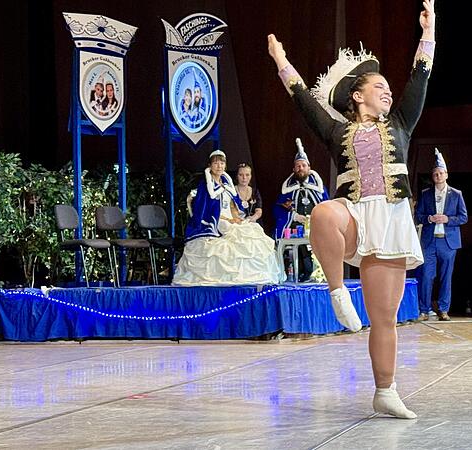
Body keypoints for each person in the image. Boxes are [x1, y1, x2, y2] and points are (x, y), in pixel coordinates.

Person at [267, 0, 436, 419]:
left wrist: (428, 32)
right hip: (353, 215)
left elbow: (420, 77)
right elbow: (303, 100)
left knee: (384, 318)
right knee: (323, 212)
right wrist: (281, 61)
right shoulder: (336, 130)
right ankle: (337, 290)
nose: (388, 91)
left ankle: (385, 391)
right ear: (358, 96)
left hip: (391, 219)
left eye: (389, 88)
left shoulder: (400, 123)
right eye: (380, 87)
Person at [172, 150, 283, 286]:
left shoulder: (226, 184)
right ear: (210, 166)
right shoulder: (205, 186)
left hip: (229, 218)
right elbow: (204, 210)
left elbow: (232, 206)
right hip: (214, 220)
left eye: (222, 163)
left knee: (252, 230)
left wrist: (236, 218)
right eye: (216, 163)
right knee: (235, 236)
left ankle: (251, 275)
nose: (219, 166)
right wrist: (228, 219)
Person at [415, 148, 468, 321]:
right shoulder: (425, 194)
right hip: (430, 241)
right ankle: (424, 309)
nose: (438, 176)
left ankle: (444, 309)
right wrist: (429, 218)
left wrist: (447, 219)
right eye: (435, 174)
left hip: (448, 242)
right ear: (432, 176)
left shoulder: (456, 194)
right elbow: (418, 216)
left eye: (441, 173)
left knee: (446, 277)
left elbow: (463, 217)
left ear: (446, 175)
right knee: (427, 275)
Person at [273, 139, 329, 282]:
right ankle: (301, 272)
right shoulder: (287, 189)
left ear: (309, 167)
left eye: (303, 165)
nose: (301, 168)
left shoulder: (319, 189)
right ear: (293, 169)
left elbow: (328, 207)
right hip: (296, 226)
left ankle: (319, 273)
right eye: (298, 166)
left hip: (316, 225)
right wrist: (293, 216)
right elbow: (277, 209)